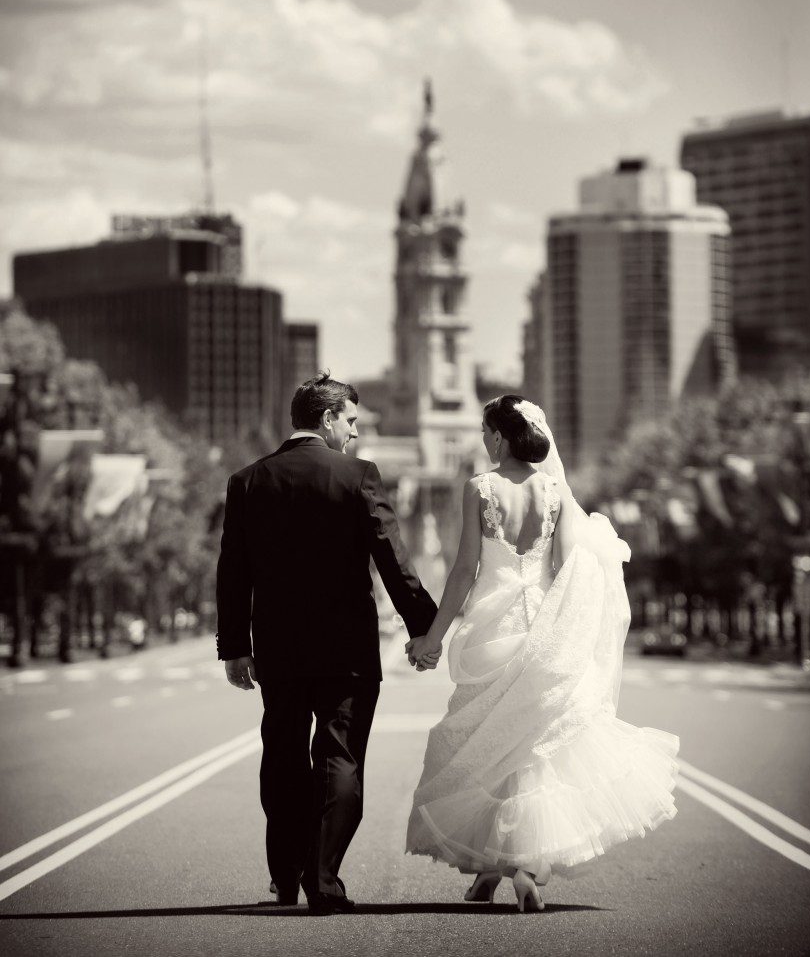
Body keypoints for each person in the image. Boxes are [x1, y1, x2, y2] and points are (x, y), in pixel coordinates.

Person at [405, 395, 679, 912]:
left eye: (487, 432)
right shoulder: (555, 491)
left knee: (488, 747)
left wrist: (434, 638)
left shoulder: (480, 488)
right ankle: (521, 867)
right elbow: (570, 564)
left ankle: (491, 867)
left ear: (500, 437)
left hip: (493, 629)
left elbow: (464, 570)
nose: (483, 441)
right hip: (545, 630)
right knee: (534, 746)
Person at [216, 372, 440, 915]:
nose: (356, 434)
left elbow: (232, 572)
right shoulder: (357, 476)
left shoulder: (247, 481)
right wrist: (427, 626)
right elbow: (392, 559)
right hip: (347, 651)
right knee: (339, 758)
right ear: (327, 419)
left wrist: (235, 647)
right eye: (352, 422)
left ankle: (285, 874)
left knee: (283, 758)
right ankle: (324, 880)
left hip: (278, 650)